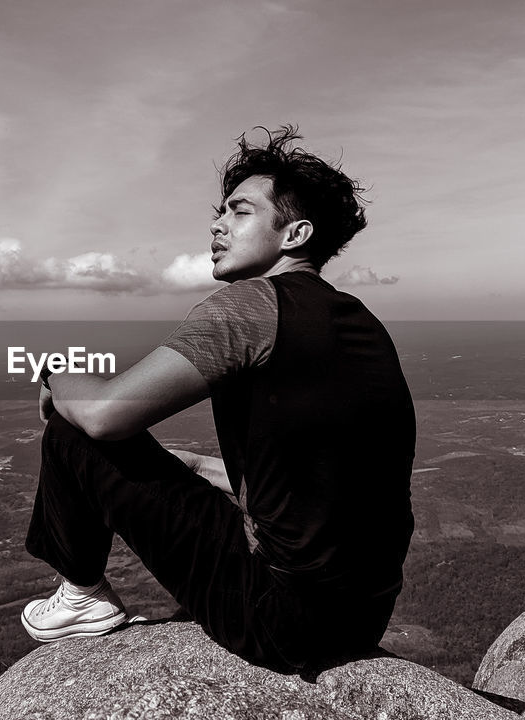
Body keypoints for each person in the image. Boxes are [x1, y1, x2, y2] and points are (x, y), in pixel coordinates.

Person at [22, 125, 415, 672]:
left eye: (239, 211)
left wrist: (53, 376)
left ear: (295, 234)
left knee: (72, 432)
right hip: (361, 615)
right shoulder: (360, 324)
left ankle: (82, 597)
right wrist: (188, 467)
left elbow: (106, 415)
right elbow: (321, 479)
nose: (217, 223)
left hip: (278, 620)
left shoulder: (248, 305)